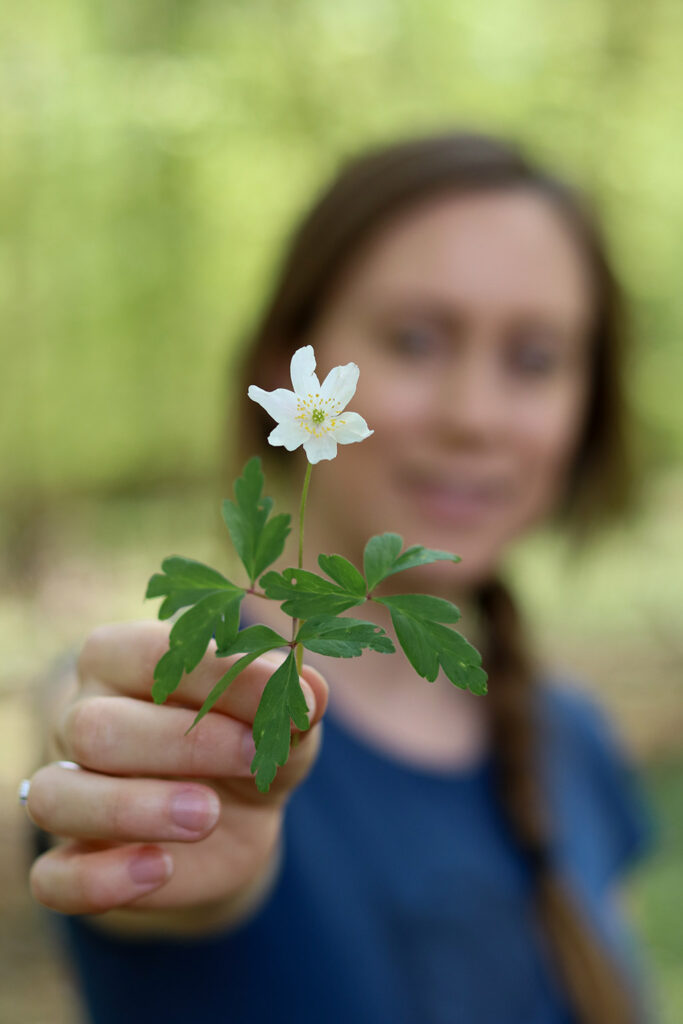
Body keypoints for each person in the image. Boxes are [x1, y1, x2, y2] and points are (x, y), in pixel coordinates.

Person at [23, 132, 655, 1024]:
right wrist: (145, 820)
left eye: (534, 359)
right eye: (415, 339)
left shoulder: (572, 741)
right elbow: (137, 811)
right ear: (288, 361)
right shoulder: (194, 704)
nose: (472, 416)